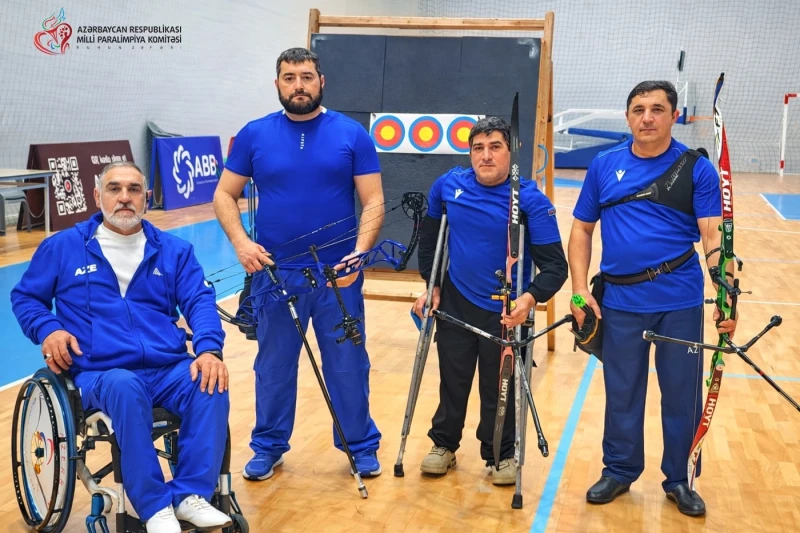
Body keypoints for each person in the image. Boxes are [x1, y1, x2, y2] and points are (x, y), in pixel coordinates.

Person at [10, 161, 232, 533]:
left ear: (147, 198)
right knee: (125, 386)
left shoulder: (174, 250)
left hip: (167, 367)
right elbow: (26, 298)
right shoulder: (63, 247)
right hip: (101, 372)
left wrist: (209, 350)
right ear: (97, 196)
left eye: (134, 189)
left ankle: (190, 495)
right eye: (114, 189)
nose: (124, 197)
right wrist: (48, 330)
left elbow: (199, 301)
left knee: (211, 382)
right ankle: (154, 506)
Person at [567, 80, 738, 517]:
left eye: (657, 109)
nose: (647, 117)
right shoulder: (604, 166)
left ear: (673, 116)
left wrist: (726, 292)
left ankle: (680, 478)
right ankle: (619, 470)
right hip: (620, 303)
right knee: (621, 393)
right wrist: (580, 290)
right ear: (628, 117)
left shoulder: (696, 169)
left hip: (679, 301)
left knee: (681, 395)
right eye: (639, 109)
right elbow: (582, 229)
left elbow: (712, 236)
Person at [214, 47, 385, 480]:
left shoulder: (352, 134)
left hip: (337, 277)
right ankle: (268, 446)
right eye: (289, 78)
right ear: (277, 84)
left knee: (348, 365)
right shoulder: (254, 134)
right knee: (273, 366)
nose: (299, 86)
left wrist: (358, 254)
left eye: (306, 77)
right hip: (275, 276)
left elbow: (374, 201)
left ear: (321, 81)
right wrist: (241, 243)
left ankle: (360, 446)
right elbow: (223, 195)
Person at [411, 116, 568, 484]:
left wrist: (530, 299)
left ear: (510, 152)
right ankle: (443, 444)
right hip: (456, 299)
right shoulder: (448, 186)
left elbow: (555, 267)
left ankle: (500, 453)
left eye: (495, 147)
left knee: (500, 386)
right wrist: (432, 286)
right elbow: (430, 240)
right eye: (478, 148)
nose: (485, 156)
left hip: (507, 309)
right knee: (453, 379)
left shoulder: (530, 200)